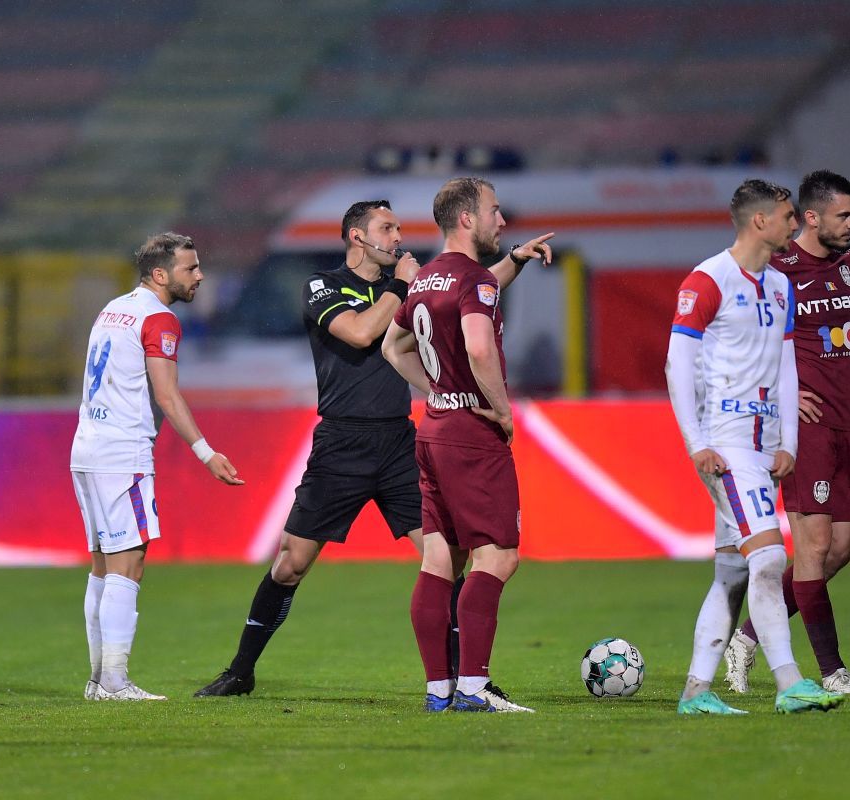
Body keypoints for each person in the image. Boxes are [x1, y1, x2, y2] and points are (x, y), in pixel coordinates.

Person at [195, 200, 551, 697]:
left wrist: (512, 260)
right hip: (340, 443)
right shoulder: (323, 286)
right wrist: (404, 285)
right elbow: (361, 333)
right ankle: (240, 671)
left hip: (400, 443)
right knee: (291, 563)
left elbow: (464, 292)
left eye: (400, 227)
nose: (399, 236)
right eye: (388, 228)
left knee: (444, 560)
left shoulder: (406, 284)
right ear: (357, 237)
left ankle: (463, 681)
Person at [666, 179, 844, 715]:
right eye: (790, 216)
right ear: (759, 221)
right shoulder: (708, 279)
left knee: (734, 571)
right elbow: (678, 363)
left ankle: (696, 692)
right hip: (725, 441)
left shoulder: (780, 285)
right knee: (769, 557)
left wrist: (787, 439)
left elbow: (787, 366)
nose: (796, 224)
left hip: (764, 443)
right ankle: (790, 683)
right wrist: (697, 443)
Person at [383, 177, 549, 713]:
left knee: (440, 557)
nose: (502, 221)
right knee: (498, 557)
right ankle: (474, 688)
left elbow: (393, 346)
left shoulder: (427, 279)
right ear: (466, 220)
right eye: (494, 212)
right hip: (471, 439)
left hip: (432, 431)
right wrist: (501, 409)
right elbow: (479, 348)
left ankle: (440, 691)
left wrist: (439, 391)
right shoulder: (474, 279)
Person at [73, 232, 244, 701]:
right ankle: (113, 681)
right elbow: (167, 394)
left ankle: (97, 680)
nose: (200, 275)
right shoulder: (159, 317)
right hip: (122, 451)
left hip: (86, 447)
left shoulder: (113, 307)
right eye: (191, 268)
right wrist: (206, 453)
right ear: (160, 274)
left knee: (102, 566)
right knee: (128, 564)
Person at [724, 170, 850, 696]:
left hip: (843, 423)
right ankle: (832, 671)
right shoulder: (778, 271)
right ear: (811, 217)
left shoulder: (848, 264)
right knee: (812, 547)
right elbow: (741, 343)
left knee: (840, 549)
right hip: (801, 430)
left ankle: (746, 637)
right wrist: (778, 403)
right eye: (844, 215)